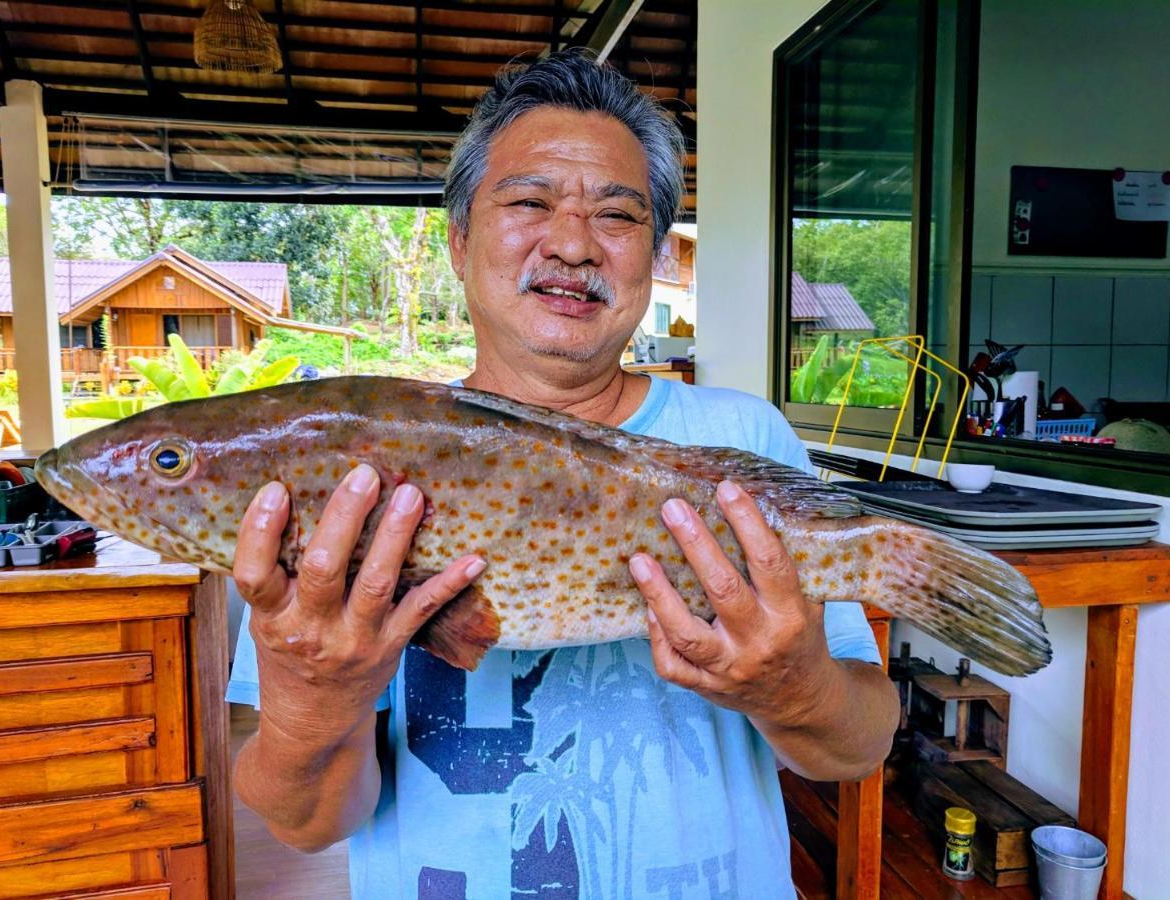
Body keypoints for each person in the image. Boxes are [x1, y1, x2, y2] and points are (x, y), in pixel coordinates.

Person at [227, 49, 900, 899]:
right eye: (530, 201)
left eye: (616, 217)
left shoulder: (741, 437)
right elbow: (308, 822)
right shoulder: (347, 473)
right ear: (459, 240)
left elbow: (856, 747)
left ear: (654, 257)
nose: (573, 243)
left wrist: (798, 687)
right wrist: (314, 701)